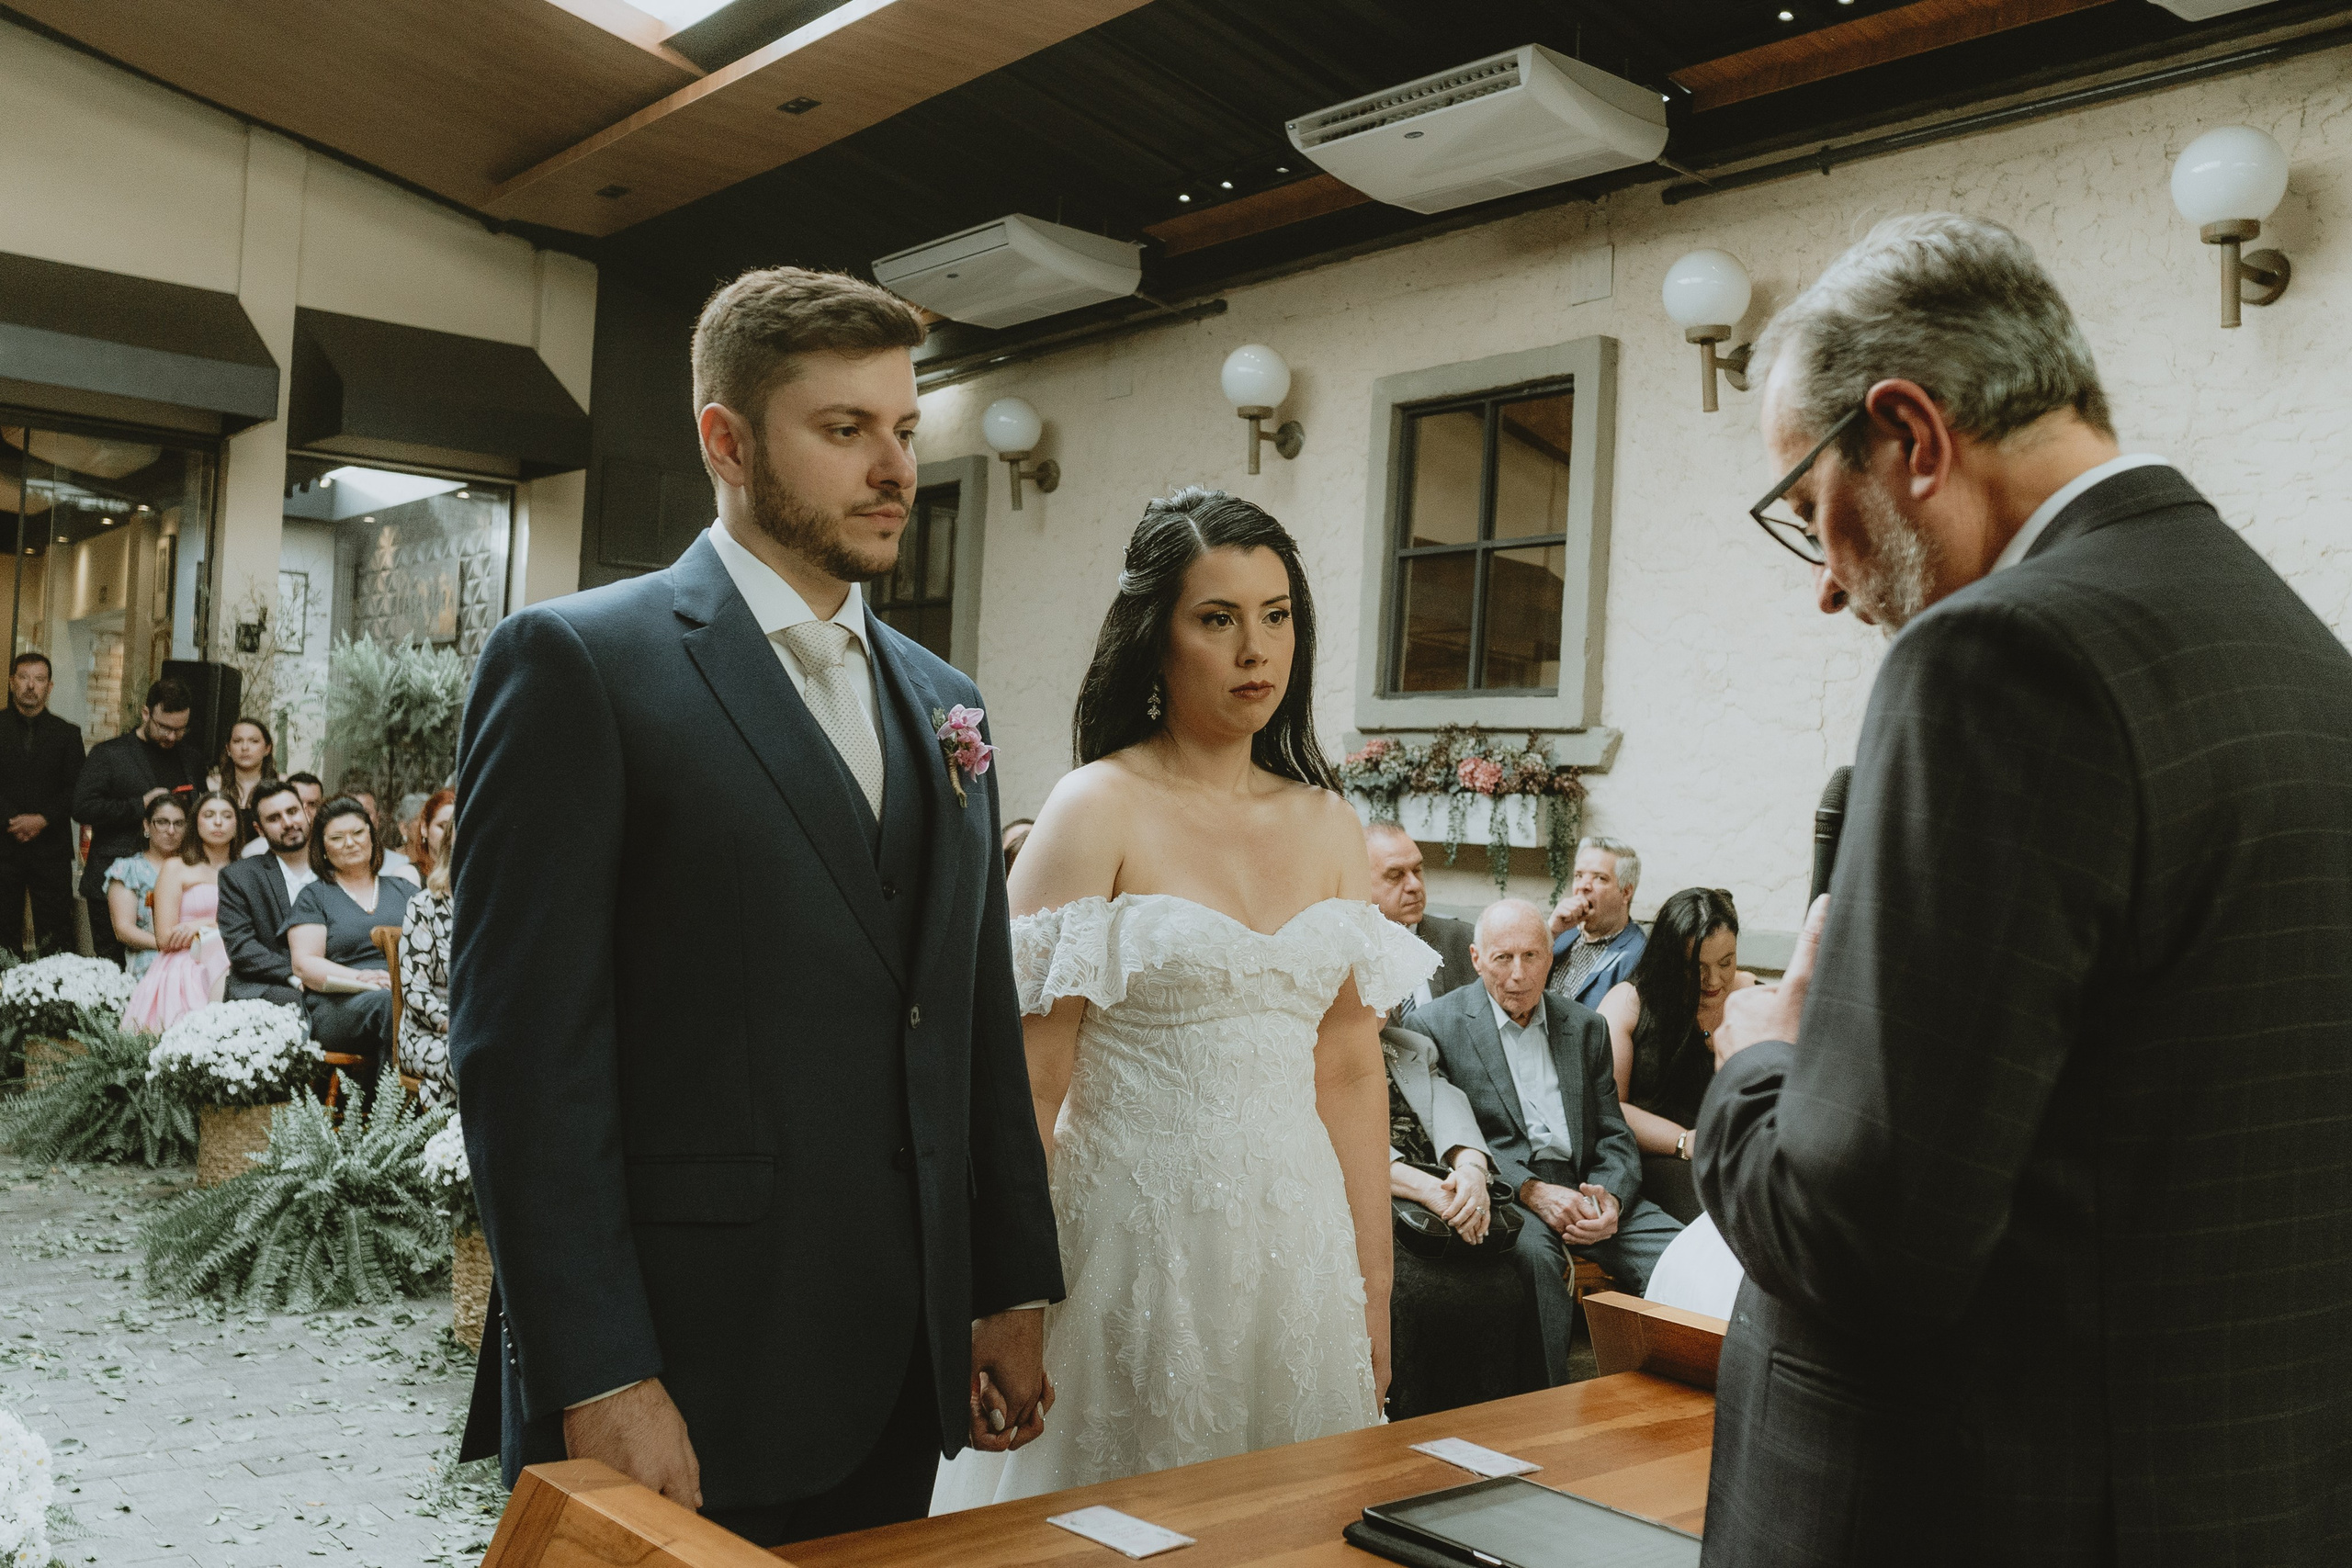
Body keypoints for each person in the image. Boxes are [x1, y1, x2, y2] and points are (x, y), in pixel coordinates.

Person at [1696, 213, 2352, 1566]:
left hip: (1988, 1504)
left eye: (1810, 508)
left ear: (1913, 436)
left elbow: (1870, 1242)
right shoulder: (2304, 659)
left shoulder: (1995, 657)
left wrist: (1755, 1069)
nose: (1826, 582)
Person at [453, 265, 1061, 1548]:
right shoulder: (580, 663)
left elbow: (964, 1011)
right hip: (689, 1358)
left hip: (895, 1358)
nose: (894, 465)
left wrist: (1003, 1277)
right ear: (725, 441)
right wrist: (599, 1369)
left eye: (904, 428)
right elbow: (524, 1057)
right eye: (845, 430)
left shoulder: (948, 698)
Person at [932, 486, 1433, 1515]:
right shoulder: (1096, 807)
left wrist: (1371, 1294)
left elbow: (1345, 1069)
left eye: (1276, 615)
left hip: (1297, 1255)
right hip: (1123, 1246)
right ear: (1154, 638)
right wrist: (1008, 1300)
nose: (1257, 650)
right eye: (1218, 619)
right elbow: (1023, 1082)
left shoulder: (1332, 825)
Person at [1414, 898, 1682, 1387]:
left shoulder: (1585, 1027)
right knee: (1538, 1266)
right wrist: (1533, 1190)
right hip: (1509, 1191)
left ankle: (1678, 1404)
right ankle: (1548, 1411)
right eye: (1503, 958)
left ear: (1551, 955)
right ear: (1476, 959)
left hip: (1589, 1187)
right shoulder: (1437, 1027)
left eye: (1533, 956)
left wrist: (1611, 1200)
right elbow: (1447, 1141)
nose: (1519, 974)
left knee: (1685, 1257)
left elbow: (1614, 1132)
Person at [1595, 888, 1753, 1224]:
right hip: (1658, 1156)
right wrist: (1685, 1142)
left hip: (1734, 1158)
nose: (1714, 981)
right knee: (1718, 1222)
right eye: (1697, 968)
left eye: (1726, 962)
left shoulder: (1751, 997)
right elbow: (1608, 1107)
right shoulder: (1629, 1004)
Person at [288, 795, 413, 1084]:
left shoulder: (405, 890)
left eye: (358, 833)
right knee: (388, 1004)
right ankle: (394, 1113)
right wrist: (363, 977)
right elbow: (305, 965)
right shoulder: (314, 896)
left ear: (372, 836)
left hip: (403, 991)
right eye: (337, 837)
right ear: (323, 848)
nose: (351, 842)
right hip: (338, 1004)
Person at [74, 678, 201, 962]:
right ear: (146, 714)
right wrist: (139, 805)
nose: (171, 737)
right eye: (164, 727)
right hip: (116, 877)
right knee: (112, 970)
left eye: (180, 730)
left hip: (174, 879)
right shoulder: (109, 754)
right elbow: (82, 807)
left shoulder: (190, 758)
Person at [123, 789, 240, 1031]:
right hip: (185, 967)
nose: (218, 822)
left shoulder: (248, 871)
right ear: (196, 822)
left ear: (237, 823)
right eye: (209, 815)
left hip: (235, 962)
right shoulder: (176, 868)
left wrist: (204, 924)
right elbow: (165, 937)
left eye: (227, 815)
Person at [0, 653, 85, 957]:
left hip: (50, 848)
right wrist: (11, 820)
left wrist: (42, 819)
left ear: (49, 687)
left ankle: (55, 997)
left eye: (38, 679)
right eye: (24, 678)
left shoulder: (67, 734)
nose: (30, 686)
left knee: (57, 934)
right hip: (3, 845)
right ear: (12, 682)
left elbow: (76, 789)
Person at [217, 778, 314, 1007]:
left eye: (293, 811)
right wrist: (301, 973)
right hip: (271, 986)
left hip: (338, 981)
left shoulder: (335, 869)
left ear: (306, 812)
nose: (288, 822)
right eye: (274, 818)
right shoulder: (239, 877)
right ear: (259, 830)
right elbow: (242, 947)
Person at [1365, 820, 1476, 1017]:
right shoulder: (1348, 954)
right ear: (1361, 883)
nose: (1414, 885)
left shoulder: (1463, 942)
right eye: (1395, 875)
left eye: (1417, 870)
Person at [398, 792, 456, 1106]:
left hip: (487, 1034)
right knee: (477, 1068)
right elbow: (416, 992)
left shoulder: (498, 908)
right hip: (428, 1033)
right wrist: (460, 1027)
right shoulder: (425, 905)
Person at [1544, 837, 1645, 1009]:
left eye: (1599, 878)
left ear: (1626, 892)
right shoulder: (1561, 932)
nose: (1583, 886)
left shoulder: (1640, 955)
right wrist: (1550, 931)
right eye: (1579, 875)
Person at [104, 794, 188, 979]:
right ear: (146, 825)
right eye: (162, 822)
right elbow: (123, 930)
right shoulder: (129, 870)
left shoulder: (194, 868)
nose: (171, 830)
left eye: (179, 823)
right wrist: (168, 945)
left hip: (197, 952)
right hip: (151, 955)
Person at [208, 716, 277, 842]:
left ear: (267, 749)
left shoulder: (282, 785)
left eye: (254, 741)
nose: (245, 747)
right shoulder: (211, 785)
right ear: (228, 749)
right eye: (238, 741)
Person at [337, 784, 417, 884]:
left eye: (365, 813)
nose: (358, 819)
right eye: (351, 813)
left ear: (378, 819)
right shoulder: (332, 863)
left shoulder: (400, 864)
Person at [242, 772, 324, 857]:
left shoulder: (330, 845)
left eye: (312, 804)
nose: (306, 811)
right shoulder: (254, 852)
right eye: (292, 810)